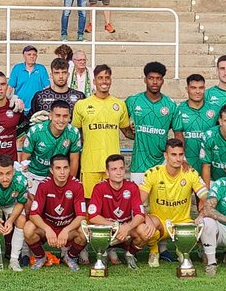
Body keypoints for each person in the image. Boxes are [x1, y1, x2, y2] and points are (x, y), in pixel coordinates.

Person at [140, 138, 208, 269]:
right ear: (166, 155)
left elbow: (207, 197)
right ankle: (154, 251)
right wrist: (146, 218)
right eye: (173, 154)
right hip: (160, 222)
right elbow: (137, 202)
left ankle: (183, 249)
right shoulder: (153, 173)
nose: (178, 158)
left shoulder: (191, 173)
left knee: (205, 224)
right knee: (144, 227)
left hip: (182, 222)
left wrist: (202, 215)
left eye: (181, 154)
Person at [71, 64, 129, 196]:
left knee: (112, 202)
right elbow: (75, 133)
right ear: (94, 81)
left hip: (113, 165)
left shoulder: (120, 104)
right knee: (89, 200)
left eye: (107, 78)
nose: (104, 81)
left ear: (111, 80)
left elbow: (127, 131)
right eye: (100, 78)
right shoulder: (82, 105)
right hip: (90, 164)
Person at [87, 153, 152, 270]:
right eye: (114, 169)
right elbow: (93, 216)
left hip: (126, 229)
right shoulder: (99, 188)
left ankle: (130, 254)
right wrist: (115, 226)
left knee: (144, 231)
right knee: (93, 229)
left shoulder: (132, 187)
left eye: (121, 168)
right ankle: (102, 254)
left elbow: (140, 214)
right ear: (107, 173)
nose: (118, 172)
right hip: (108, 228)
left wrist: (127, 227)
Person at [24, 155, 88, 270]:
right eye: (58, 168)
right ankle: (41, 257)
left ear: (69, 169)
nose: (62, 172)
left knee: (84, 230)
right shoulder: (44, 185)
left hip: (68, 227)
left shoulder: (77, 185)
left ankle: (70, 257)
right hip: (48, 227)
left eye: (65, 168)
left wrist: (66, 230)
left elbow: (81, 216)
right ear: (51, 170)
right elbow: (34, 214)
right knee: (28, 228)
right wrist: (47, 229)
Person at [124, 61, 177, 184]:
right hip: (139, 165)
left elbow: (177, 132)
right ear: (145, 80)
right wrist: (129, 131)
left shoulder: (171, 105)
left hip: (162, 165)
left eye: (158, 78)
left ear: (163, 81)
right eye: (151, 78)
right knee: (139, 197)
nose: (154, 82)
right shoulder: (133, 101)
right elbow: (122, 123)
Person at [18, 99, 82, 194]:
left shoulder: (73, 133)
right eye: (58, 116)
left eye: (65, 116)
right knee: (30, 200)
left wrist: (69, 183)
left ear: (69, 117)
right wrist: (25, 179)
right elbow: (25, 158)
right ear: (50, 116)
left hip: (57, 176)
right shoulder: (36, 131)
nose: (61, 120)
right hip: (34, 174)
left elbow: (74, 160)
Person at [171, 74, 218, 171]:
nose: (197, 91)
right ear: (187, 89)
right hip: (187, 165)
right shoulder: (179, 109)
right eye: (193, 88)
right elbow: (178, 134)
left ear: (204, 89)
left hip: (210, 165)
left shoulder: (215, 109)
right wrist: (182, 159)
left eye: (201, 88)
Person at [9, 45, 49, 109]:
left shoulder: (41, 68)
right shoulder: (17, 68)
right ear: (24, 56)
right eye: (29, 54)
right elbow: (10, 87)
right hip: (19, 106)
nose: (32, 56)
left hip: (37, 107)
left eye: (34, 55)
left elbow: (48, 87)